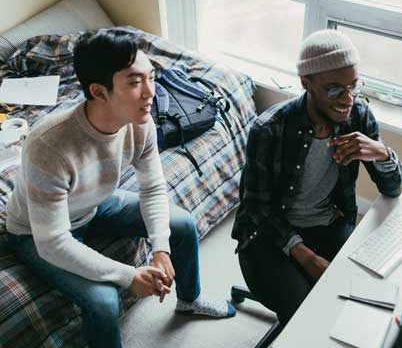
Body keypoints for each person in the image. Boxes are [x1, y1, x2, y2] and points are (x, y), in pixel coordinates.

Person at [6, 28, 235, 348]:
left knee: (180, 223)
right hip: (36, 232)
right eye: (134, 82)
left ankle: (189, 299)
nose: (150, 92)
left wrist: (160, 249)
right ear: (99, 92)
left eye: (151, 77)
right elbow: (53, 243)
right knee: (104, 302)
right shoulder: (49, 145)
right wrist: (129, 276)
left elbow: (154, 188)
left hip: (92, 205)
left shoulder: (141, 123)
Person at [232, 29, 402, 325]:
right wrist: (306, 257)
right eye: (335, 89)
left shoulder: (359, 117)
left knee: (370, 296)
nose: (348, 98)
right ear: (306, 83)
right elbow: (257, 209)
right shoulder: (269, 130)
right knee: (307, 319)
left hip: (327, 225)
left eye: (354, 85)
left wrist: (382, 153)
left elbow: (393, 188)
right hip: (269, 235)